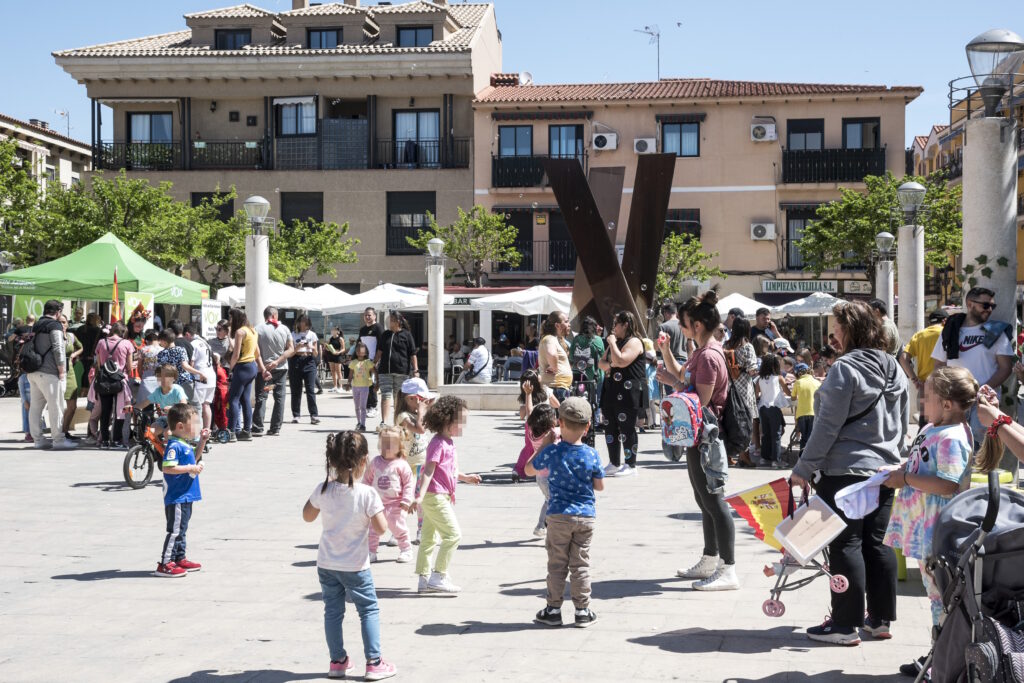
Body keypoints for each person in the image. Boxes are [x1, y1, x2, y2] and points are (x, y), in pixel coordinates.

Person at [791, 299, 907, 645]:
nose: (832, 336)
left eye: (836, 328)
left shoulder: (845, 369)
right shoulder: (894, 368)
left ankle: (844, 625)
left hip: (844, 470)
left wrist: (803, 468)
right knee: (878, 543)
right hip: (885, 470)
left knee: (846, 543)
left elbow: (826, 426)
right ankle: (879, 619)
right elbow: (902, 423)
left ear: (851, 329)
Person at [882, 366, 974, 674]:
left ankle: (942, 663)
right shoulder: (934, 429)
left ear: (947, 404)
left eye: (928, 398)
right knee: (936, 597)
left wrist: (905, 479)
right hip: (925, 531)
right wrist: (901, 470)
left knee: (941, 599)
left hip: (938, 533)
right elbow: (922, 465)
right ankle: (937, 657)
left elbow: (947, 484)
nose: (923, 403)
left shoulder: (951, 437)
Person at [657, 289, 738, 591]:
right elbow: (684, 376)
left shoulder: (708, 356)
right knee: (704, 500)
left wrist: (674, 383)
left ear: (698, 325)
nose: (680, 326)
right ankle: (710, 557)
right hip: (698, 436)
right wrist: (669, 364)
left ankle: (728, 568)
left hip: (705, 436)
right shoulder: (700, 352)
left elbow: (698, 400)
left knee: (714, 500)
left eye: (684, 322)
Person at [302, 431, 398, 681]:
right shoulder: (367, 494)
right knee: (368, 609)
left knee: (332, 611)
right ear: (364, 461)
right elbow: (381, 529)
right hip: (356, 565)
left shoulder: (324, 489)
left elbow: (307, 516)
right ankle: (374, 662)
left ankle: (338, 661)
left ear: (332, 461)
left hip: (326, 563)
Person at [525, 397, 604, 628]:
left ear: (560, 423)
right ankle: (582, 611)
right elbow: (599, 486)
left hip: (558, 515)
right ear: (588, 426)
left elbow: (529, 469)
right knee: (580, 564)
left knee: (557, 564)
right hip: (586, 516)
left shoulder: (553, 452)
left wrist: (546, 444)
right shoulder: (591, 454)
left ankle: (553, 610)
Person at [412, 395, 481, 594]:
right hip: (434, 496)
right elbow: (428, 470)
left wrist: (465, 478)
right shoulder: (438, 443)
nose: (463, 426)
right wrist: (419, 495)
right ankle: (438, 575)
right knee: (453, 535)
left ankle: (424, 578)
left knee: (428, 539)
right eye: (462, 422)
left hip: (437, 496)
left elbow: (446, 470)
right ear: (449, 421)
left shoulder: (446, 442)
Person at [931, 286, 1014, 449]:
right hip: (954, 399)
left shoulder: (996, 332)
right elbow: (939, 365)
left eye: (992, 306)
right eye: (985, 305)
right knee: (952, 446)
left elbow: (1005, 368)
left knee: (982, 450)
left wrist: (982, 389)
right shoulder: (950, 330)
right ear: (970, 304)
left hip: (984, 401)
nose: (989, 310)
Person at [155, 404, 210, 578]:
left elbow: (195, 457)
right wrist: (189, 468)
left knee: (182, 528)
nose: (198, 426)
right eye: (194, 423)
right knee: (175, 530)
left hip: (187, 494)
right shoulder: (174, 446)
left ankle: (179, 557)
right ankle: (165, 563)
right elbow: (167, 468)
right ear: (180, 426)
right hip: (177, 496)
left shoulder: (184, 444)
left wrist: (202, 441)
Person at [597, 311, 645, 477]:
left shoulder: (635, 342)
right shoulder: (615, 342)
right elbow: (601, 363)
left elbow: (622, 361)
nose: (613, 328)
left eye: (616, 324)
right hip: (611, 388)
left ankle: (631, 464)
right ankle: (614, 462)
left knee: (627, 427)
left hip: (628, 390)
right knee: (610, 426)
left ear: (625, 324)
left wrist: (612, 345)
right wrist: (612, 351)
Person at [25, 301, 76, 450]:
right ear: (58, 312)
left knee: (36, 407)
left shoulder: (37, 324)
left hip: (33, 371)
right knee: (56, 407)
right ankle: (59, 440)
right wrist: (61, 370)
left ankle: (38, 440)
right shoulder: (55, 325)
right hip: (49, 373)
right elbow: (58, 348)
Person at [363, 425, 415, 564]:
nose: (386, 447)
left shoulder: (401, 465)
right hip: (376, 504)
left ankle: (406, 550)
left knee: (398, 528)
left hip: (395, 504)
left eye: (391, 445)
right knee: (373, 530)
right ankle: (371, 552)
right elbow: (366, 480)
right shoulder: (375, 462)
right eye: (384, 443)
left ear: (400, 447)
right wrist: (363, 497)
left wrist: (406, 500)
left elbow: (409, 484)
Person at [395, 377, 436, 545]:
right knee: (404, 498)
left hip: (422, 463)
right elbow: (419, 428)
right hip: (406, 465)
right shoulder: (403, 416)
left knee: (421, 498)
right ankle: (398, 530)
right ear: (410, 398)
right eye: (420, 398)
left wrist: (427, 407)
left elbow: (427, 425)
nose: (423, 402)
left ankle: (421, 529)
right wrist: (422, 411)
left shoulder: (417, 413)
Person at [899, 309, 949, 429]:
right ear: (944, 321)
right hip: (946, 384)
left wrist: (914, 379)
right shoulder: (947, 332)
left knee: (925, 422)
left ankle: (922, 446)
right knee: (945, 423)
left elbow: (903, 358)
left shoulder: (919, 335)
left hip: (925, 385)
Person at [93, 321, 135, 449]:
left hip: (104, 381)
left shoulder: (101, 342)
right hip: (120, 381)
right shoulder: (127, 344)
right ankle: (116, 440)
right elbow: (129, 366)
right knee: (120, 411)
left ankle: (104, 440)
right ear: (123, 332)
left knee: (105, 411)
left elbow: (99, 363)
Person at [253, 307, 293, 437]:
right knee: (279, 398)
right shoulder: (285, 329)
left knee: (262, 396)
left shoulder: (258, 329)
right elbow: (291, 349)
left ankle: (258, 427)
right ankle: (275, 428)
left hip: (264, 369)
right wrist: (277, 361)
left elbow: (256, 351)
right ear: (275, 315)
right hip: (280, 368)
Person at [723, 317, 758, 468]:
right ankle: (745, 457)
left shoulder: (726, 345)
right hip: (744, 389)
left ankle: (729, 455)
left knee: (730, 422)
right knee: (745, 423)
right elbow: (752, 369)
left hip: (728, 388)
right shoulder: (747, 346)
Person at [226, 307, 266, 441]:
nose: (229, 321)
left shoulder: (240, 332)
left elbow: (236, 355)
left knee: (234, 399)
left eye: (230, 318)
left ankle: (231, 431)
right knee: (245, 400)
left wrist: (230, 370)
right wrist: (262, 368)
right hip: (252, 367)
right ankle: (247, 431)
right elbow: (257, 353)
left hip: (242, 367)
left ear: (235, 318)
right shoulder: (252, 331)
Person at [522, 402, 560, 538]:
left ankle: (542, 526)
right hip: (551, 477)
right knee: (552, 502)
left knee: (548, 499)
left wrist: (528, 395)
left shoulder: (531, 431)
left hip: (539, 475)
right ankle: (542, 526)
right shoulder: (552, 434)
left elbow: (529, 412)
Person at [377, 311, 419, 427]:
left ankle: (397, 422)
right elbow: (379, 351)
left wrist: (416, 370)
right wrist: (373, 364)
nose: (389, 322)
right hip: (385, 370)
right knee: (385, 395)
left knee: (398, 397)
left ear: (398, 322)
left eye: (391, 320)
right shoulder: (385, 334)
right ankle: (384, 422)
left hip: (402, 371)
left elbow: (413, 354)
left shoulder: (407, 335)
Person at [755, 353, 790, 469]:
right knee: (776, 434)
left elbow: (756, 394)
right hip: (774, 407)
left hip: (763, 408)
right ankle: (776, 460)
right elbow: (788, 392)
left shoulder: (759, 379)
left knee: (766, 434)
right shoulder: (779, 378)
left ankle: (765, 458)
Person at [136, 364, 189, 440]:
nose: (163, 379)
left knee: (168, 433)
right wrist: (133, 408)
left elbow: (184, 404)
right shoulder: (158, 391)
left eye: (167, 376)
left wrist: (173, 408)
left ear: (174, 378)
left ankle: (171, 450)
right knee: (150, 432)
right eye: (159, 376)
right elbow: (145, 403)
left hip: (178, 419)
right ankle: (159, 451)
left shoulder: (177, 389)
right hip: (165, 419)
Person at [568, 316, 605, 421]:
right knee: (596, 397)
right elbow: (603, 357)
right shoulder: (598, 340)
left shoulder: (576, 339)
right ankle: (595, 420)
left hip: (578, 374)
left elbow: (571, 357)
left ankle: (579, 417)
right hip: (595, 375)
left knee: (579, 397)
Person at [290, 314, 320, 426]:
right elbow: (290, 352)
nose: (303, 323)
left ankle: (314, 415)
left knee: (310, 390)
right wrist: (297, 348)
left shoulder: (312, 335)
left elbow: (316, 353)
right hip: (296, 360)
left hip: (309, 361)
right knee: (296, 390)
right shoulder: (293, 334)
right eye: (302, 321)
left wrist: (311, 348)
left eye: (306, 321)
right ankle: (296, 415)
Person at [184, 326, 216, 433]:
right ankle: (207, 430)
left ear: (187, 334)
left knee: (197, 406)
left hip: (200, 377)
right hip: (211, 376)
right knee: (206, 405)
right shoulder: (205, 342)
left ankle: (197, 432)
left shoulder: (193, 343)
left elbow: (191, 363)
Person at [58, 314, 84, 441]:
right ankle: (57, 431)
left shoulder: (71, 336)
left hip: (69, 371)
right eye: (60, 322)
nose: (62, 325)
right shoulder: (52, 337)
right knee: (55, 404)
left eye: (64, 322)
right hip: (55, 371)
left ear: (68, 324)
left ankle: (65, 430)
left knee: (72, 405)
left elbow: (81, 347)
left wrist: (74, 354)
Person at [539, 311, 573, 401]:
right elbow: (552, 354)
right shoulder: (550, 338)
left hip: (558, 388)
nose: (569, 324)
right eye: (566, 321)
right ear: (557, 326)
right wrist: (554, 367)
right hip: (556, 389)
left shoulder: (552, 339)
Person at [358, 308, 384, 420]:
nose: (367, 317)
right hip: (363, 361)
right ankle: (367, 406)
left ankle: (373, 407)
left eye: (369, 315)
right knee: (364, 384)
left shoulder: (378, 328)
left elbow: (381, 345)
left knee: (372, 384)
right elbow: (359, 344)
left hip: (374, 360)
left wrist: (376, 360)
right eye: (365, 315)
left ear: (374, 316)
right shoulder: (362, 329)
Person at [791, 362, 820, 459]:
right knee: (811, 436)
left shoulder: (798, 382)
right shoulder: (817, 382)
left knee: (804, 437)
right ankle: (811, 457)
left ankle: (802, 457)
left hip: (801, 414)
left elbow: (793, 398)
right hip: (814, 413)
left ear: (798, 373)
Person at [349, 342, 376, 432]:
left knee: (363, 407)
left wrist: (376, 382)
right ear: (356, 352)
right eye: (358, 350)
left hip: (365, 387)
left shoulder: (368, 362)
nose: (360, 352)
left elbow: (375, 371)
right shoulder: (353, 362)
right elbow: (350, 374)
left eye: (362, 350)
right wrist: (348, 383)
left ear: (366, 352)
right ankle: (359, 422)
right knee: (356, 406)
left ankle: (363, 424)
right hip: (355, 386)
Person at [135, 331, 163, 403]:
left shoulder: (143, 350)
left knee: (145, 403)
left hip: (146, 378)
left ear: (147, 341)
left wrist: (141, 376)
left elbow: (139, 367)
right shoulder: (163, 350)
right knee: (159, 403)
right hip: (160, 379)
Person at [324, 327, 347, 393]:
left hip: (338, 356)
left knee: (338, 371)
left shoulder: (340, 339)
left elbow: (343, 349)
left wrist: (338, 352)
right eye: (332, 330)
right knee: (332, 371)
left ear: (338, 332)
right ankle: (335, 386)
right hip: (331, 356)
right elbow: (327, 348)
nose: (332, 331)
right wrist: (327, 347)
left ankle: (341, 387)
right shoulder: (330, 339)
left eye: (334, 330)